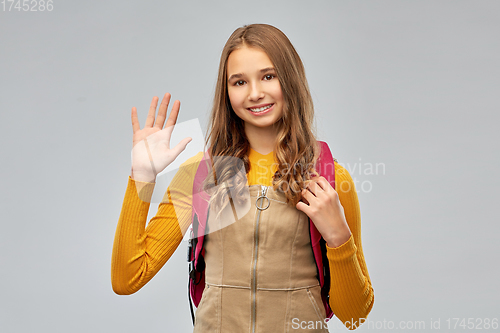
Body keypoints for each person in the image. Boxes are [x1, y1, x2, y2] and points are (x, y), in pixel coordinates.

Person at [111, 23, 374, 332]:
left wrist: (339, 238)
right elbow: (127, 279)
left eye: (268, 76)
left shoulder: (329, 178)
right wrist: (141, 177)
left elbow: (354, 316)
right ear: (227, 92)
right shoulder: (200, 174)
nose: (255, 93)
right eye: (239, 82)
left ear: (289, 80)